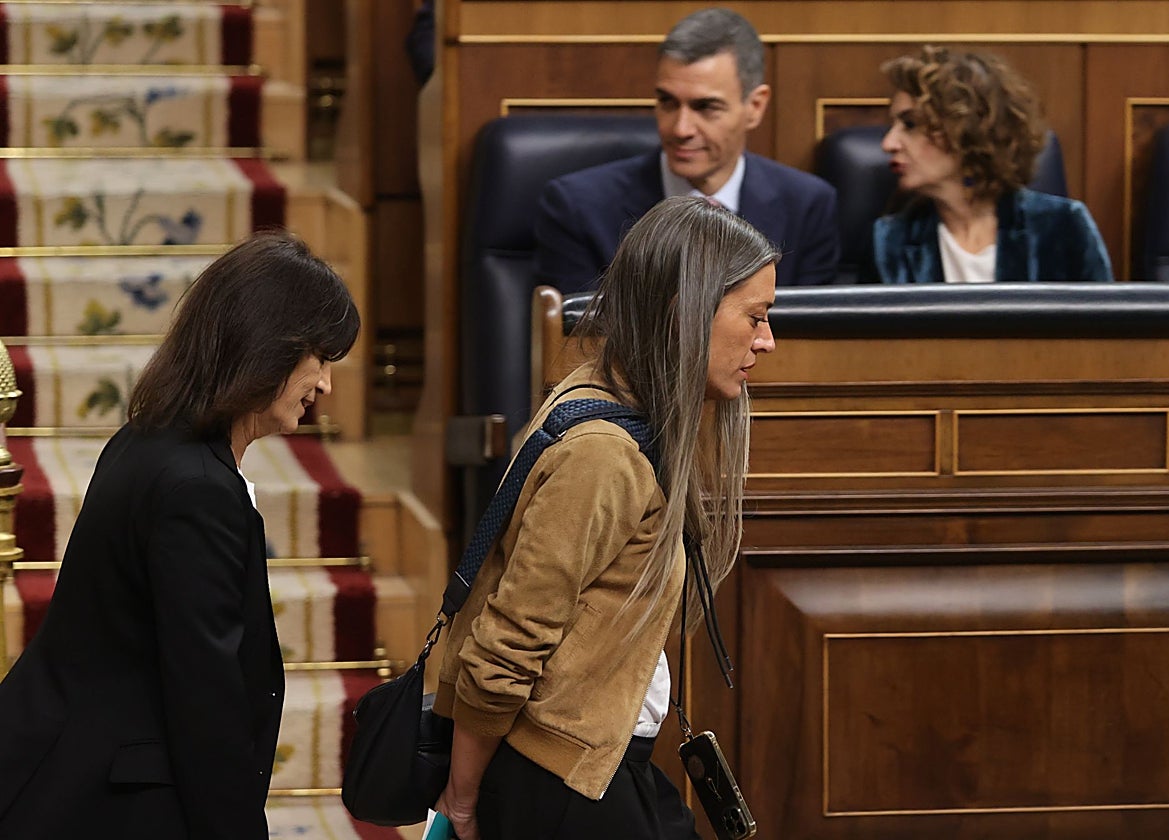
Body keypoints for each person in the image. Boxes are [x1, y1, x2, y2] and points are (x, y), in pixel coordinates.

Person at [433, 195, 778, 840]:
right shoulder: (603, 456)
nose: (766, 341)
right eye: (755, 317)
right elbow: (508, 638)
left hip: (606, 760)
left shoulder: (605, 398)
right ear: (685, 312)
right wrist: (462, 798)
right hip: (560, 781)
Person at [0, 232, 360, 839]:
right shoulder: (197, 490)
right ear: (268, 348)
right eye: (319, 358)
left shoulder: (151, 440)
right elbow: (205, 700)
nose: (324, 384)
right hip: (110, 796)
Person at [533, 6, 838, 291]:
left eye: (705, 107)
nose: (680, 129)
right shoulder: (579, 208)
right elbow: (580, 344)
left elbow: (807, 342)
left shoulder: (807, 206)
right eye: (667, 102)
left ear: (755, 107)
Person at [863, 45, 1113, 283]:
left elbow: (1105, 325)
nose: (888, 143)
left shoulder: (1062, 226)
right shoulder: (890, 241)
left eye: (910, 125)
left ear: (967, 130)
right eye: (893, 126)